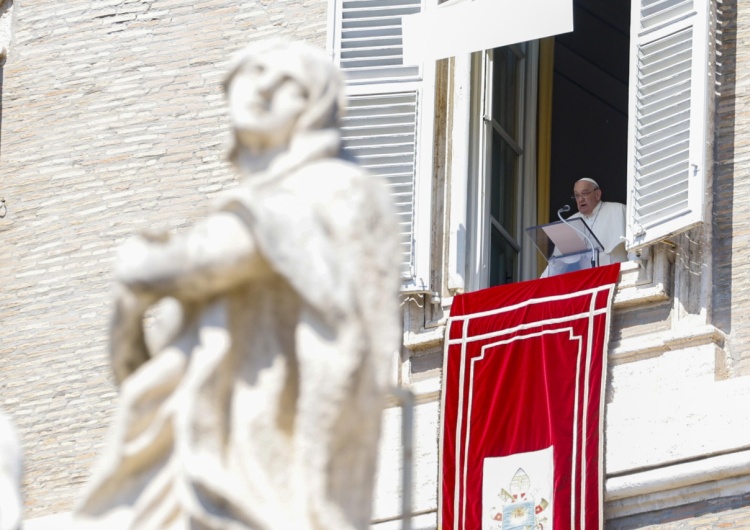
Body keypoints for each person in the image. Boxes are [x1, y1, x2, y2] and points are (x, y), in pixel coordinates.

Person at [73, 39, 402, 530]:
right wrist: (132, 299)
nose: (263, 88)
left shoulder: (335, 187)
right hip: (188, 455)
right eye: (254, 72)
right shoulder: (253, 204)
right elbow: (141, 369)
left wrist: (145, 270)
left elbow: (207, 258)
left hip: (253, 464)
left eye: (288, 84)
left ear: (315, 109)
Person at [568, 177, 627, 265]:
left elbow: (635, 248)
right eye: (577, 195)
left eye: (584, 193)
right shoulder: (569, 222)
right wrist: (541, 278)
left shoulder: (619, 210)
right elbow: (557, 263)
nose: (580, 199)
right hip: (586, 277)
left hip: (619, 275)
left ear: (597, 194)